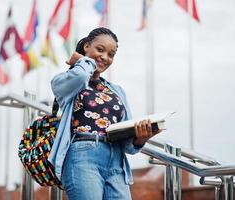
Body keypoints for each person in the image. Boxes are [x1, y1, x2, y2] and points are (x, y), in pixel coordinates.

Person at [49, 27, 161, 199]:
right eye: (100, 50)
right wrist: (83, 61)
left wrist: (142, 136)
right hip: (82, 157)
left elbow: (129, 145)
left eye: (111, 54)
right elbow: (79, 77)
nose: (105, 58)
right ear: (86, 46)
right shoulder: (65, 81)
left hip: (116, 161)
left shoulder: (117, 91)